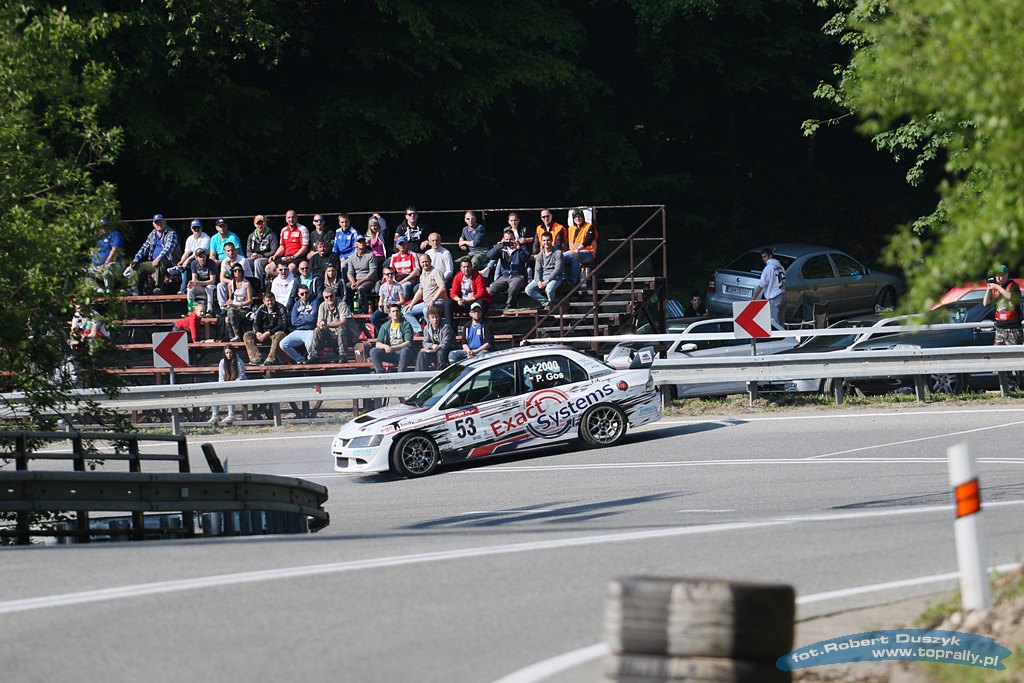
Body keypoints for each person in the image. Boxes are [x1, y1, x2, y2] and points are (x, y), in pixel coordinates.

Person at [130, 213, 181, 295]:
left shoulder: (171, 233)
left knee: (160, 262)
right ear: (153, 224)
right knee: (137, 266)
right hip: (154, 262)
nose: (159, 224)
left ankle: (158, 287)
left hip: (170, 262)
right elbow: (144, 248)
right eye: (157, 222)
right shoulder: (152, 234)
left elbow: (168, 248)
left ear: (165, 222)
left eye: (161, 222)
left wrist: (159, 258)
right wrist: (136, 260)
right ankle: (136, 290)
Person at [487, 227, 531, 310]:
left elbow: (527, 259)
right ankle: (488, 307)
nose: (509, 241)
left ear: (514, 239)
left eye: (511, 239)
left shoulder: (521, 247)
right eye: (506, 240)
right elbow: (489, 255)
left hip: (518, 276)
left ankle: (509, 306)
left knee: (513, 288)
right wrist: (498, 247)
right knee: (492, 289)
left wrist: (519, 249)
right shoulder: (502, 250)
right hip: (505, 276)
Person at [405, 252, 449, 329]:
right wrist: (412, 304)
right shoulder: (422, 275)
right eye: (422, 262)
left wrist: (433, 300)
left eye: (426, 261)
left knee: (426, 310)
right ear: (420, 263)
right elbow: (420, 291)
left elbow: (442, 287)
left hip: (438, 302)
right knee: (406, 312)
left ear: (430, 261)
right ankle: (419, 331)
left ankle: (431, 330)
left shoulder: (436, 272)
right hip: (426, 303)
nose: (424, 264)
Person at [243, 291, 289, 365]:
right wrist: (257, 332)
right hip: (263, 333)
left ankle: (271, 359)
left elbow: (283, 325)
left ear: (274, 300)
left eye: (272, 300)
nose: (270, 302)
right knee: (247, 335)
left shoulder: (281, 308)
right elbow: (256, 323)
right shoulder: (261, 308)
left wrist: (268, 333)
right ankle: (256, 358)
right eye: (268, 301)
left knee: (279, 334)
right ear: (264, 301)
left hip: (275, 333)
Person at [984, 265, 1023, 345]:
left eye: (1001, 275)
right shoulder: (995, 288)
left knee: (1014, 351)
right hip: (999, 328)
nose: (998, 278)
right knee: (998, 352)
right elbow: (985, 303)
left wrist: (997, 287)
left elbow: (1010, 296)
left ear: (1006, 275)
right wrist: (988, 289)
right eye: (997, 276)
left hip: (1013, 328)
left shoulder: (1013, 286)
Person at [370, 303, 415, 373]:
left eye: (397, 311)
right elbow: (378, 344)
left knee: (405, 350)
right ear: (390, 314)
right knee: (373, 351)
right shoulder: (385, 326)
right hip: (390, 352)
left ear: (400, 313)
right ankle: (380, 373)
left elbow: (408, 343)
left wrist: (395, 348)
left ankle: (400, 373)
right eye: (393, 311)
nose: (395, 313)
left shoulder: (406, 324)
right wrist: (385, 346)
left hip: (402, 352)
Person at [312, 288, 354, 362]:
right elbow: (318, 322)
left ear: (334, 295)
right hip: (330, 335)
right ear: (324, 298)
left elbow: (343, 321)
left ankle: (343, 356)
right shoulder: (322, 306)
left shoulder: (342, 304)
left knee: (341, 329)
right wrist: (320, 324)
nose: (329, 298)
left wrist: (328, 325)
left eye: (331, 296)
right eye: (326, 297)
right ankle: (315, 356)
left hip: (345, 335)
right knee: (317, 330)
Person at [171, 219, 211, 294]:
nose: (196, 229)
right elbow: (187, 252)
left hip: (204, 258)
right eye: (194, 228)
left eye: (198, 227)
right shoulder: (189, 239)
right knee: (184, 266)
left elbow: (199, 252)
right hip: (194, 259)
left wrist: (187, 260)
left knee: (189, 264)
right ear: (191, 229)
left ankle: (183, 290)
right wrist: (181, 261)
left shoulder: (206, 238)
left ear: (201, 228)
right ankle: (183, 288)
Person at [208, 346, 246, 427]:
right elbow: (221, 378)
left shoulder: (239, 362)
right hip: (226, 385)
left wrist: (231, 385)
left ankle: (231, 414)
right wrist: (224, 386)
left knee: (230, 393)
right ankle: (215, 415)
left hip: (239, 386)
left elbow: (241, 377)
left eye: (230, 353)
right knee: (215, 393)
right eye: (227, 353)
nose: (229, 355)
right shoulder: (222, 362)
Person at [281, 285, 319, 364]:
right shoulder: (296, 304)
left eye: (306, 293)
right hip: (298, 330)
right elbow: (294, 321)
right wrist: (308, 317)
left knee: (309, 344)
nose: (304, 295)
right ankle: (300, 359)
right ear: (298, 294)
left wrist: (301, 317)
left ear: (309, 292)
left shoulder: (314, 302)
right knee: (283, 344)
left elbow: (313, 318)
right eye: (302, 294)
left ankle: (311, 360)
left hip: (310, 330)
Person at [525, 232, 564, 309]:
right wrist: (538, 281)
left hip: (556, 277)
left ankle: (551, 303)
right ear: (541, 241)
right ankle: (547, 303)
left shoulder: (558, 253)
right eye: (544, 240)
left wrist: (547, 281)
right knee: (528, 289)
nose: (546, 242)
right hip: (543, 276)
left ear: (552, 240)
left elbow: (558, 269)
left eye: (548, 240)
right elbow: (537, 270)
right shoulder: (539, 255)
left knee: (549, 289)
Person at [751, 247, 787, 326]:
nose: (764, 259)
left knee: (774, 322)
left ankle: (776, 333)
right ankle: (783, 333)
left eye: (765, 256)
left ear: (770, 256)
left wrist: (753, 297)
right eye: (762, 257)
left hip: (774, 296)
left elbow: (762, 284)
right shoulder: (781, 267)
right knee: (781, 321)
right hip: (783, 294)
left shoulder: (768, 268)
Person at [564, 208, 597, 287]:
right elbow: (567, 243)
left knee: (576, 255)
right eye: (576, 217)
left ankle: (573, 281)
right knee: (559, 257)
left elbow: (588, 240)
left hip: (589, 253)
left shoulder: (589, 227)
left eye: (579, 216)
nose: (578, 218)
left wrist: (578, 249)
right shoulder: (571, 229)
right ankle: (562, 279)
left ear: (583, 217)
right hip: (573, 252)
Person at [216, 241, 252, 312]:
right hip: (234, 283)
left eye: (232, 250)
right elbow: (222, 278)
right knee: (220, 285)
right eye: (228, 251)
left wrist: (229, 266)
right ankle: (223, 308)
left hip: (245, 282)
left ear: (235, 250)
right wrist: (231, 282)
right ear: (225, 252)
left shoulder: (242, 260)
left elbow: (239, 276)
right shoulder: (224, 261)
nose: (231, 252)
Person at [88, 218, 124, 291]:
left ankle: (109, 291)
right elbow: (92, 249)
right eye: (101, 226)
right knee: (85, 273)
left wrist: (105, 264)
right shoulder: (98, 236)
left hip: (112, 264)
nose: (103, 228)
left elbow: (115, 251)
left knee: (106, 272)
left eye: (105, 226)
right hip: (96, 266)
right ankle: (98, 290)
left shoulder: (115, 234)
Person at [345, 236, 379, 313]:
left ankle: (364, 310)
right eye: (359, 242)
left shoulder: (370, 255)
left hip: (369, 280)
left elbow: (373, 272)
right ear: (355, 244)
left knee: (361, 289)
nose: (362, 243)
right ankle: (349, 309)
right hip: (357, 280)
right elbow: (350, 272)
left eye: (363, 241)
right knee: (346, 287)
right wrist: (353, 282)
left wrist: (360, 282)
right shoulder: (351, 257)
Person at [415, 306, 454, 371]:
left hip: (447, 349)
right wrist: (432, 345)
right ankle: (418, 373)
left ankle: (439, 372)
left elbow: (445, 344)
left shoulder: (446, 327)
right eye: (432, 317)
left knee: (441, 352)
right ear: (429, 319)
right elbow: (425, 342)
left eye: (436, 317)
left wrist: (431, 350)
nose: (435, 319)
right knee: (422, 353)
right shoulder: (427, 328)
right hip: (434, 349)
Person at [271, 209, 309, 273]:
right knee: (268, 268)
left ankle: (286, 277)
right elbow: (282, 246)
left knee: (290, 269)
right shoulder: (284, 230)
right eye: (289, 217)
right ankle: (282, 278)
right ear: (286, 219)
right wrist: (275, 255)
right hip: (286, 257)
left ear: (296, 218)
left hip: (298, 257)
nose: (291, 219)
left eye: (293, 217)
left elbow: (305, 247)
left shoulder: (303, 229)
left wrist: (293, 257)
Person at [223, 264, 254, 342]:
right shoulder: (230, 284)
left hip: (244, 308)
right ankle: (232, 337)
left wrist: (240, 304)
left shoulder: (246, 284)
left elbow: (250, 300)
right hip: (235, 307)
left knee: (231, 312)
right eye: (235, 270)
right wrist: (228, 303)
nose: (237, 272)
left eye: (239, 270)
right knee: (227, 318)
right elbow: (231, 299)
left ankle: (237, 336)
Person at [246, 214, 279, 284]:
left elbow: (274, 251)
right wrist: (251, 255)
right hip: (254, 257)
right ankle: (248, 284)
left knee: (257, 262)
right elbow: (248, 251)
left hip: (266, 258)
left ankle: (258, 285)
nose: (260, 226)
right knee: (246, 261)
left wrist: (262, 255)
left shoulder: (271, 235)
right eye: (258, 224)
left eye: (262, 223)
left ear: (265, 223)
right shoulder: (251, 236)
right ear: (254, 224)